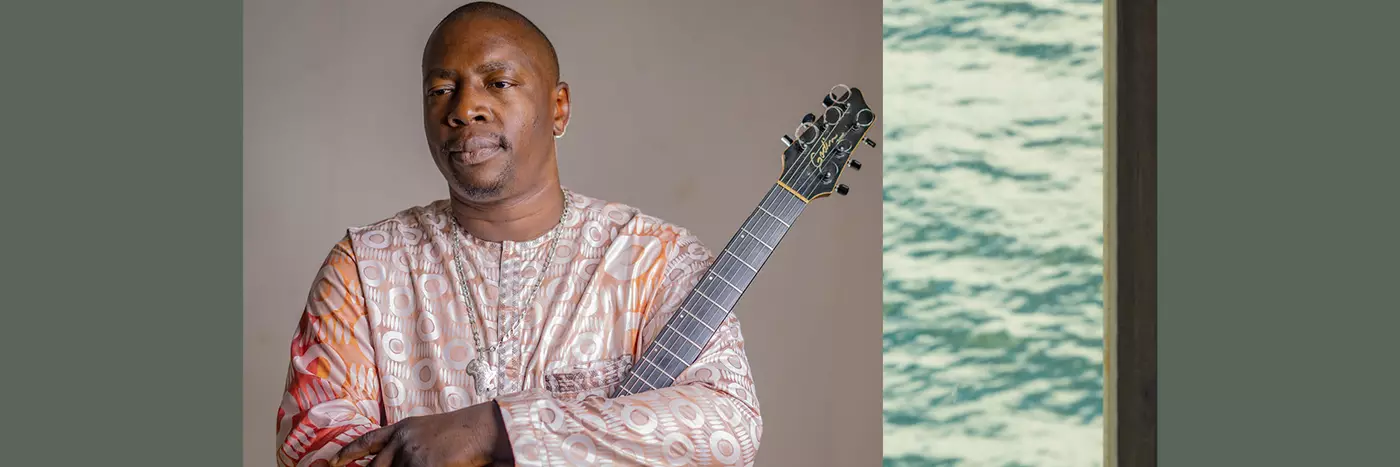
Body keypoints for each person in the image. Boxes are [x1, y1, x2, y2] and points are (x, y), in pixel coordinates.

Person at [273, 2, 762, 466]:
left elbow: (728, 428)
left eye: (498, 82)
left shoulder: (657, 260)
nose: (465, 108)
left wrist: (497, 429)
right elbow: (314, 445)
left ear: (558, 108)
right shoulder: (363, 266)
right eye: (441, 90)